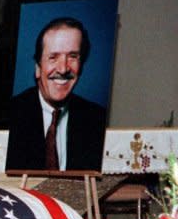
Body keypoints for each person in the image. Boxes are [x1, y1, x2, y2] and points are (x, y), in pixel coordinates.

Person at [6, 17, 107, 172]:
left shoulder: (97, 119)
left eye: (73, 56)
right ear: (38, 68)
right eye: (53, 57)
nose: (63, 69)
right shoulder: (11, 114)